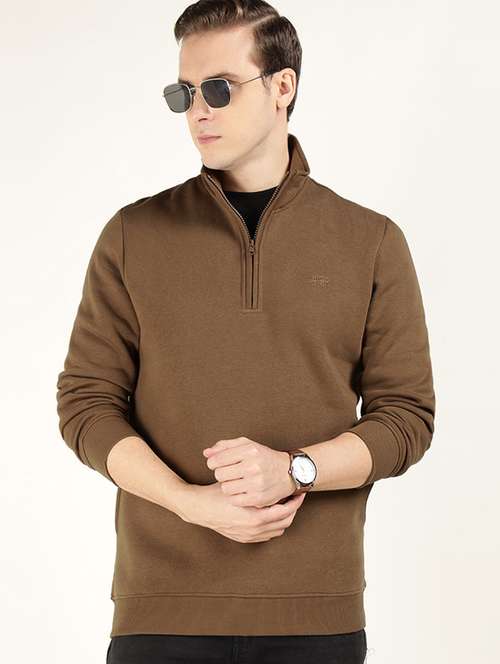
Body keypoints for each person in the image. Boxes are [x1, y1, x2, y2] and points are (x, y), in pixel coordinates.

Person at [56, 1, 436, 663]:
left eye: (219, 88)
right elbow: (86, 405)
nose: (197, 111)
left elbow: (406, 418)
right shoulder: (133, 236)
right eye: (184, 93)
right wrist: (188, 503)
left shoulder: (370, 240)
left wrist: (295, 469)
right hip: (161, 615)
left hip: (315, 617)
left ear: (282, 86)